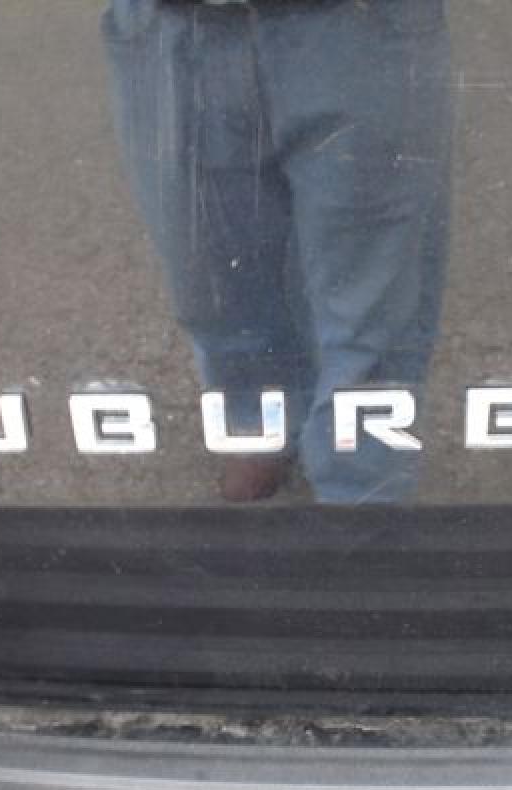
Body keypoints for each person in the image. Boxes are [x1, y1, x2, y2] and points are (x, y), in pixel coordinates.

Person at [103, 0, 453, 503]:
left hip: (360, 21)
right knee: (210, 278)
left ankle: (359, 490)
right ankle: (257, 422)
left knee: (371, 299)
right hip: (173, 21)